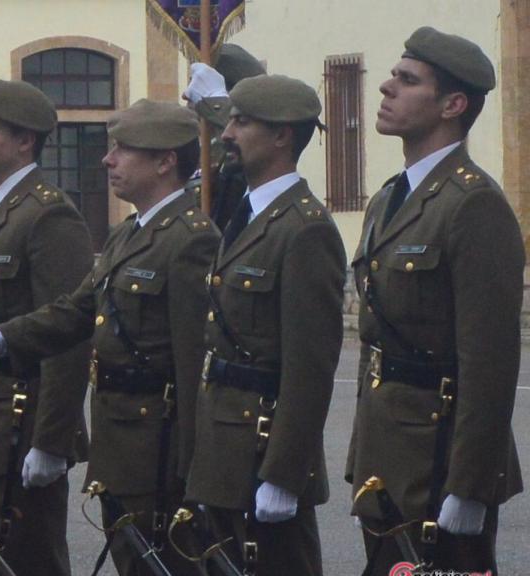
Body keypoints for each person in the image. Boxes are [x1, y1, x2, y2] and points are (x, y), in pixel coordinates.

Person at [0, 99, 219, 575]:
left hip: (159, 446)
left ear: (165, 161)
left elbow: (194, 366)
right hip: (120, 441)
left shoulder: (191, 239)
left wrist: (194, 471)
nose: (107, 160)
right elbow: (75, 312)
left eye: (123, 150)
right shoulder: (128, 233)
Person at [346, 27, 523, 574]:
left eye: (406, 80)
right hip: (386, 455)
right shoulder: (389, 199)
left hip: (439, 458)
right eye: (392, 76)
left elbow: (489, 362)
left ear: (453, 104)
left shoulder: (473, 205)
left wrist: (469, 487)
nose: (385, 89)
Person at [184, 74, 345, 575]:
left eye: (241, 121)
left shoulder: (305, 229)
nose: (226, 134)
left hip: (262, 453)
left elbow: (310, 368)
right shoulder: (252, 215)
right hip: (226, 449)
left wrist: (285, 474)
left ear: (282, 136)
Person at [0, 79, 93, 576]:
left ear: (24, 141)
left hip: (23, 421)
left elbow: (67, 332)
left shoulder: (47, 213)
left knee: (31, 560)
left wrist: (52, 440)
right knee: (1, 556)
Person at [182, 43, 265, 230]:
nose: (187, 95)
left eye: (198, 86)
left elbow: (244, 177)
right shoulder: (194, 145)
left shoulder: (233, 150)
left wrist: (217, 105)